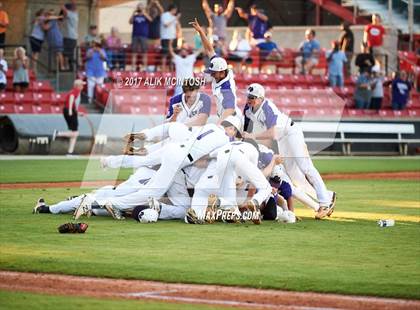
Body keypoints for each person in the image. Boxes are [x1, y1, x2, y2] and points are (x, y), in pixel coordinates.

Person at [242, 83, 336, 219]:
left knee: (306, 167)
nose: (249, 99)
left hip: (291, 133)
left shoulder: (267, 107)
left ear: (261, 98)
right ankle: (328, 195)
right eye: (248, 96)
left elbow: (272, 133)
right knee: (295, 176)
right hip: (282, 138)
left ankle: (325, 204)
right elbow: (246, 129)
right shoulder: (248, 108)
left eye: (253, 97)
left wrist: (252, 136)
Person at [190, 18, 242, 123]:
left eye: (214, 73)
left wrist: (219, 124)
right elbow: (209, 49)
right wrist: (201, 32)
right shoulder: (220, 67)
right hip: (225, 117)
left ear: (222, 73)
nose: (212, 75)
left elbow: (230, 109)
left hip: (232, 120)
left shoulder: (226, 87)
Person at [52, 79, 85, 155]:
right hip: (69, 110)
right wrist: (70, 110)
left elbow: (74, 104)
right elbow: (71, 98)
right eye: (82, 85)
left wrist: (78, 113)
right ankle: (58, 133)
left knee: (73, 132)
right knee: (75, 133)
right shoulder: (75, 91)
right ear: (78, 86)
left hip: (69, 110)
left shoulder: (76, 92)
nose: (83, 86)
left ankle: (70, 152)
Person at [130, 3, 152, 71]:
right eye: (139, 7)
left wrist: (144, 13)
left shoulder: (145, 15)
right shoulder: (135, 16)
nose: (140, 8)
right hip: (135, 35)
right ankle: (133, 67)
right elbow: (130, 22)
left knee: (144, 52)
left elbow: (151, 20)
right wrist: (133, 13)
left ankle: (144, 67)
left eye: (141, 7)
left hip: (144, 36)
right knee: (134, 52)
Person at [85, 39, 107, 104]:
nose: (95, 46)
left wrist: (99, 51)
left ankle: (98, 101)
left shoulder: (102, 51)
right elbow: (88, 57)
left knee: (99, 88)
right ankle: (90, 101)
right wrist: (93, 51)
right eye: (94, 44)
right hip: (90, 72)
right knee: (90, 86)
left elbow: (104, 58)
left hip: (100, 72)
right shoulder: (89, 51)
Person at [160, 4, 180, 71]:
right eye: (175, 10)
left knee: (172, 55)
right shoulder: (165, 15)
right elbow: (166, 25)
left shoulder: (174, 17)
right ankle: (163, 69)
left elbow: (177, 26)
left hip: (173, 38)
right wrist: (175, 19)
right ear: (172, 9)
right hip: (165, 37)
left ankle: (171, 70)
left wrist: (176, 19)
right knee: (164, 54)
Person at [61, 3, 79, 71]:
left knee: (66, 53)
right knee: (70, 54)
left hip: (69, 37)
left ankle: (67, 67)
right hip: (73, 37)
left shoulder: (71, 14)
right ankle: (70, 68)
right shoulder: (76, 14)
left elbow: (64, 9)